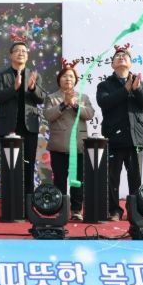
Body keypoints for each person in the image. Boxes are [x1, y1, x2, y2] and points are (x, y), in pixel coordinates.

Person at [96, 43, 143, 221]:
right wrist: (125, 89)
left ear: (130, 63)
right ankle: (114, 210)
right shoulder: (104, 85)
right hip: (114, 138)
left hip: (135, 138)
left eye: (125, 56)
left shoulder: (140, 83)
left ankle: (134, 210)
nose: (121, 57)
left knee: (135, 178)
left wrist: (136, 89)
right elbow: (104, 103)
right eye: (117, 56)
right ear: (112, 64)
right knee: (112, 178)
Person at [43, 58, 95, 221]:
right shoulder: (52, 97)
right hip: (58, 146)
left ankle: (76, 210)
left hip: (78, 145)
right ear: (59, 79)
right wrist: (64, 104)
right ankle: (60, 209)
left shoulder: (83, 97)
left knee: (77, 180)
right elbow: (48, 115)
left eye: (71, 76)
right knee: (59, 179)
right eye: (65, 76)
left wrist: (75, 105)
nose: (68, 79)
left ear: (76, 80)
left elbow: (90, 114)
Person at [0, 37, 45, 196]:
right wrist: (14, 88)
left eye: (24, 51)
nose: (21, 53)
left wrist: (33, 88)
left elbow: (41, 98)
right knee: (8, 166)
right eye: (17, 51)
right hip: (8, 127)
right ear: (11, 55)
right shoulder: (2, 76)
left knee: (28, 166)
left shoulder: (34, 75)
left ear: (27, 56)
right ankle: (9, 203)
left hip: (29, 127)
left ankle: (28, 203)